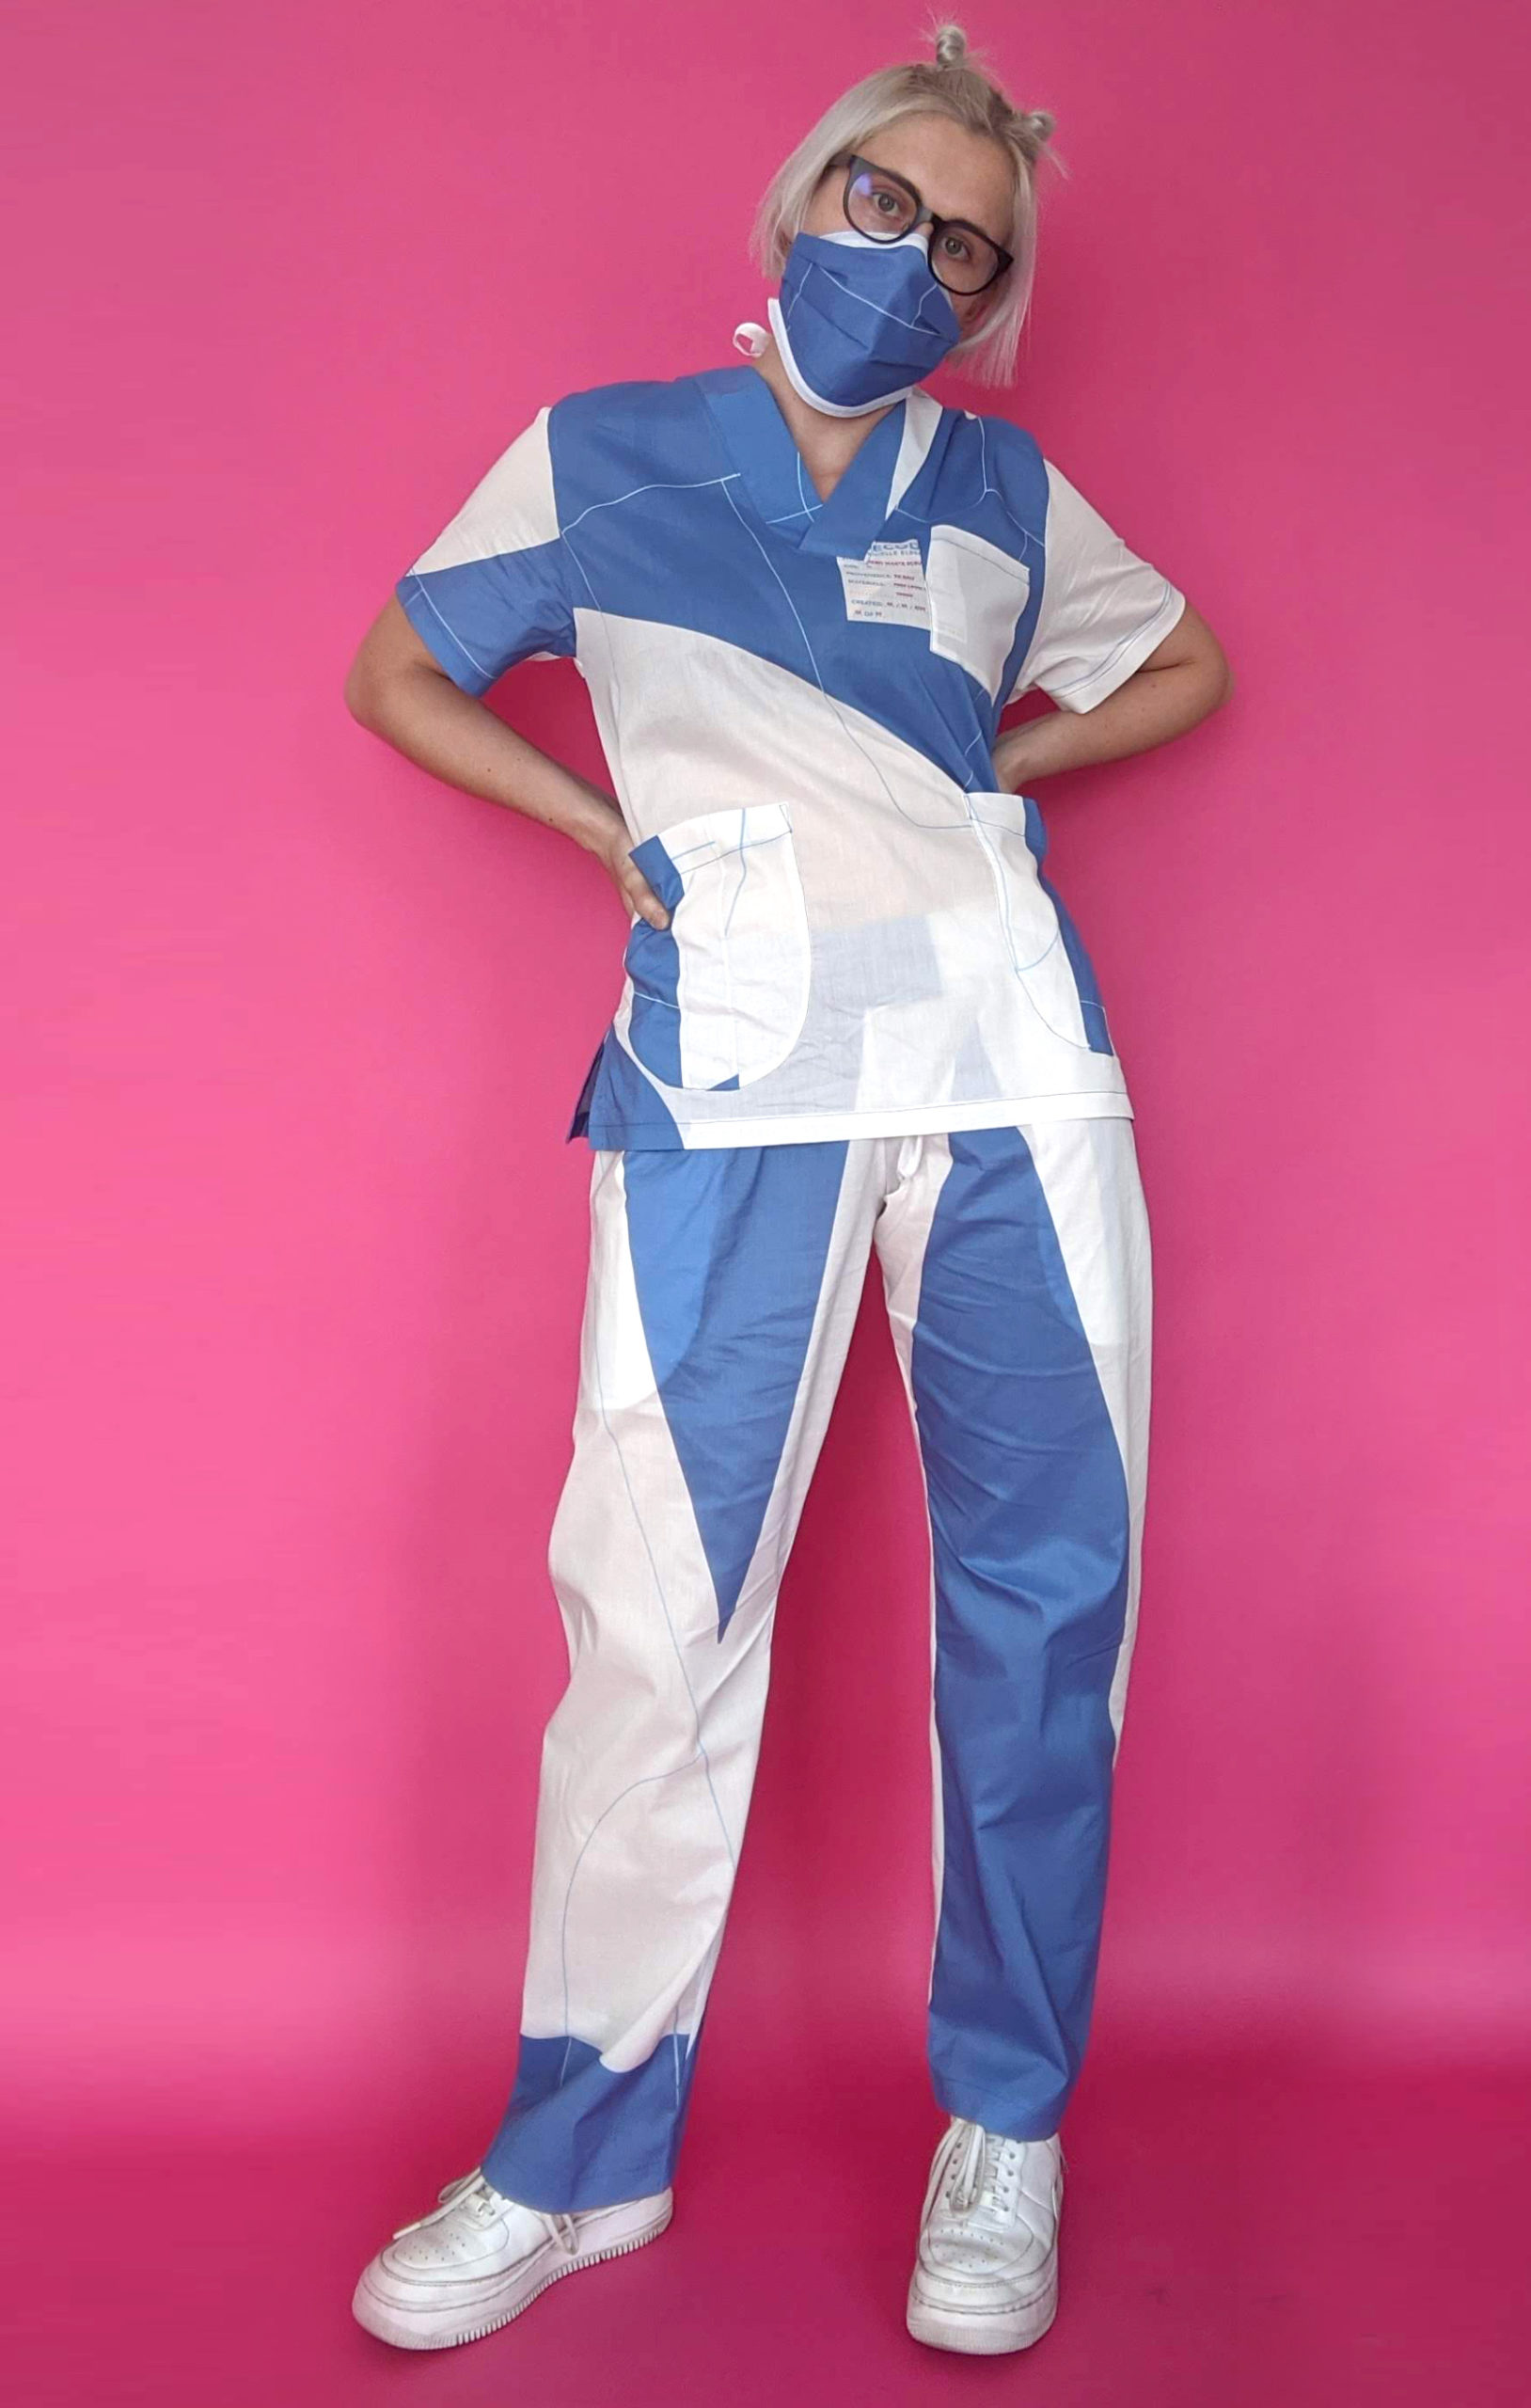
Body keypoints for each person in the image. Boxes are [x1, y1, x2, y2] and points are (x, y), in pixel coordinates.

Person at [342, 20, 1232, 2361]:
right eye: (887, 207)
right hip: (728, 1076)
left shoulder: (1005, 495)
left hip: (1013, 1071)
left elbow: (1184, 667)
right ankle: (579, 2152)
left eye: (966, 246)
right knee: (650, 1608)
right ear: (802, 199)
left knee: (1047, 1611)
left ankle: (1005, 2135)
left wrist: (994, 785)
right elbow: (398, 671)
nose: (914, 262)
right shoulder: (601, 456)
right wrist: (596, 835)